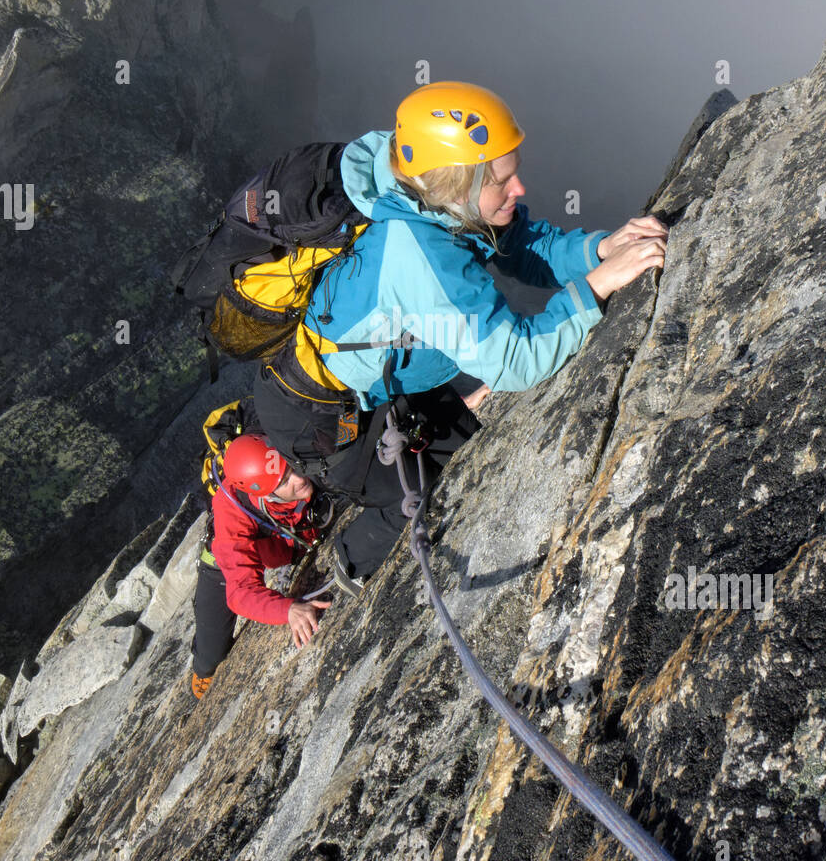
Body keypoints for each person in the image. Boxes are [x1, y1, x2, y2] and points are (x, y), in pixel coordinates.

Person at [253, 80, 667, 594]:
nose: (519, 190)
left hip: (383, 372)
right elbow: (516, 360)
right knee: (421, 489)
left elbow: (519, 244)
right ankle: (347, 564)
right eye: (503, 181)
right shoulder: (419, 255)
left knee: (460, 444)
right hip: (315, 415)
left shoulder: (433, 197)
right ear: (457, 187)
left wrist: (600, 249)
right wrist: (597, 286)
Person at [190, 433, 333, 699]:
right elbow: (241, 592)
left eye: (292, 467)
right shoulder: (233, 509)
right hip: (222, 563)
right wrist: (287, 609)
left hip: (289, 540)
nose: (299, 478)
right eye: (285, 481)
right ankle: (202, 668)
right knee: (210, 656)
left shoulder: (289, 443)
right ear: (263, 493)